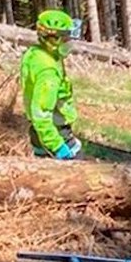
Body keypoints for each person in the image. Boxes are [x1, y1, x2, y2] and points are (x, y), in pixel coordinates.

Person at [22, 9, 83, 159]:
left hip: (42, 132)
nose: (69, 43)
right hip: (54, 132)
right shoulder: (48, 72)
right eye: (66, 39)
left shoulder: (37, 54)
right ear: (53, 40)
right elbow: (41, 114)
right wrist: (57, 146)